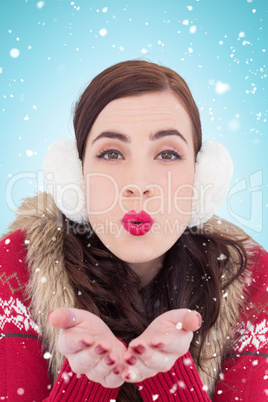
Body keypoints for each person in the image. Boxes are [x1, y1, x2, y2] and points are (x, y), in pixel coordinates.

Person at [0, 60, 267, 402]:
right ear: (75, 175)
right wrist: (87, 382)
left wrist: (172, 382)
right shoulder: (12, 268)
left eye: (168, 154)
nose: (138, 185)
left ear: (201, 179)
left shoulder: (254, 281)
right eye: (111, 153)